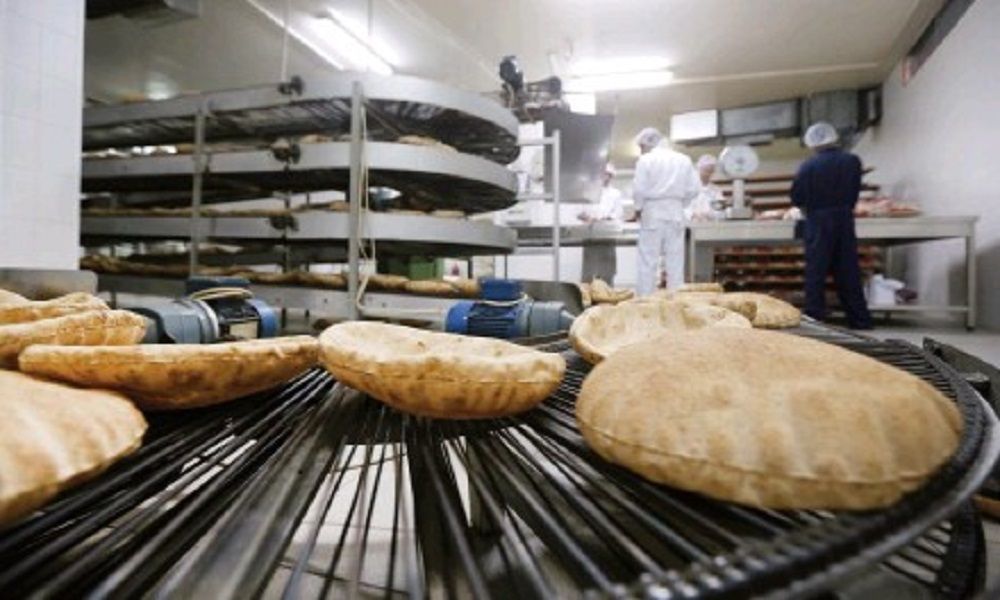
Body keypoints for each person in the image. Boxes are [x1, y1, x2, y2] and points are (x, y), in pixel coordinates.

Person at [791, 122, 873, 329]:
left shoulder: (808, 166)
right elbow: (855, 190)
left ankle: (815, 320)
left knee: (816, 271)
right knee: (848, 270)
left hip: (817, 220)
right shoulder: (852, 161)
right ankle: (860, 320)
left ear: (812, 143)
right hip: (844, 218)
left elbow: (796, 197)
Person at [631, 127, 700, 295]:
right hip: (675, 212)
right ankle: (675, 300)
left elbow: (639, 190)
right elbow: (694, 189)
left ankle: (645, 301)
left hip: (652, 212)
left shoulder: (646, 160)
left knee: (648, 261)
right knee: (675, 261)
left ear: (646, 144)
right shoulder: (684, 159)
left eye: (641, 147)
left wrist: (638, 209)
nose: (641, 150)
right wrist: (680, 203)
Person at [578, 164, 624, 284]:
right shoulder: (588, 191)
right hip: (591, 235)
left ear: (611, 176)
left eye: (607, 174)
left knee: (607, 272)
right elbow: (580, 211)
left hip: (608, 235)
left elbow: (618, 213)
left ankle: (607, 290)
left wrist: (605, 218)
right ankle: (588, 291)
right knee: (589, 271)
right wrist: (587, 217)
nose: (604, 177)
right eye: (602, 174)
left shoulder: (616, 193)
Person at [686, 154, 726, 222]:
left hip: (709, 225)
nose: (707, 174)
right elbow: (682, 208)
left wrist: (710, 215)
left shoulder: (716, 191)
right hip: (691, 224)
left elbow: (721, 212)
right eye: (706, 170)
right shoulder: (688, 188)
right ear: (699, 169)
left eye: (710, 171)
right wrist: (692, 215)